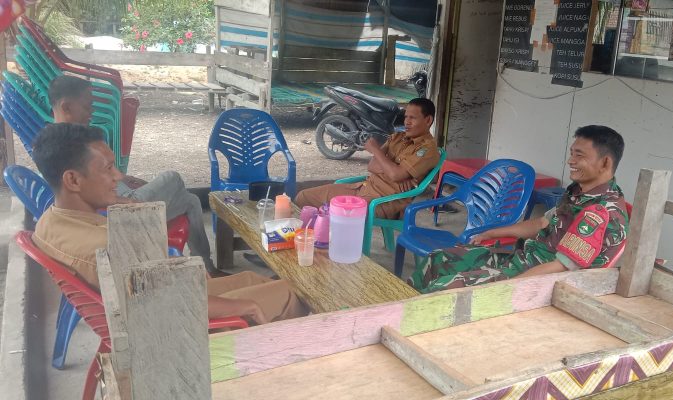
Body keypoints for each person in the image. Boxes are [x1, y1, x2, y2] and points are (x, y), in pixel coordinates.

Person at [31, 123, 308, 325]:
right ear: (73, 180)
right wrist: (246, 306)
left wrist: (178, 264)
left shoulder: (50, 221)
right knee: (293, 293)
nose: (118, 176)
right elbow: (174, 304)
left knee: (250, 278)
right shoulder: (109, 250)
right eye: (107, 168)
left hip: (162, 297)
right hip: (178, 331)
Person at [412, 125, 629, 293]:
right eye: (571, 153)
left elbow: (561, 268)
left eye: (579, 155)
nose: (570, 161)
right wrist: (491, 233)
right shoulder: (578, 192)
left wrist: (506, 288)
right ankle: (400, 311)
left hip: (540, 283)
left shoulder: (600, 212)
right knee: (437, 259)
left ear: (605, 163)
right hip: (523, 260)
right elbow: (542, 223)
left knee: (443, 289)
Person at [48, 76, 221, 276]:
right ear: (67, 107)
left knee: (191, 201)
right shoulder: (64, 148)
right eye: (87, 107)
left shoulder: (64, 138)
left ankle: (207, 266)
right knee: (173, 177)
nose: (92, 112)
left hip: (121, 197)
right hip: (121, 210)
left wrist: (123, 178)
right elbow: (89, 200)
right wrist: (128, 201)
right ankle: (205, 269)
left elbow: (94, 180)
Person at [295, 98, 440, 219]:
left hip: (384, 201)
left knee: (338, 215)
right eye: (406, 116)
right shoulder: (398, 137)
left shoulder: (427, 149)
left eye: (412, 118)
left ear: (428, 120)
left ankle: (327, 242)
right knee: (303, 197)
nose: (407, 122)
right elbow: (372, 166)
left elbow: (394, 174)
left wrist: (376, 150)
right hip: (363, 189)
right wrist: (396, 172)